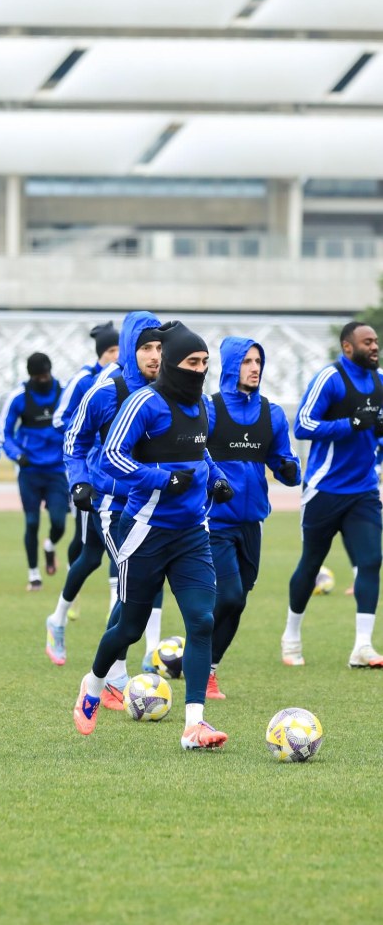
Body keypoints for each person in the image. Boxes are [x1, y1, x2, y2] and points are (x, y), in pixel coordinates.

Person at [74, 321, 231, 750]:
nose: (200, 370)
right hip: (144, 530)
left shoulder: (202, 405)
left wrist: (215, 477)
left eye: (205, 362)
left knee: (201, 620)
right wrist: (162, 479)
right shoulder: (144, 402)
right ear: (173, 363)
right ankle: (92, 684)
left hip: (192, 532)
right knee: (129, 626)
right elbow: (112, 456)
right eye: (192, 362)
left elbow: (198, 450)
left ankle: (194, 725)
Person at [49, 312, 162, 694]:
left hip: (153, 502)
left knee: (139, 577)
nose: (155, 355)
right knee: (105, 565)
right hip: (108, 501)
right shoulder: (101, 387)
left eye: (160, 347)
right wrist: (80, 480)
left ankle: (145, 655)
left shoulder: (169, 389)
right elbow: (70, 432)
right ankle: (112, 668)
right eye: (146, 347)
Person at [282, 321, 383, 669]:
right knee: (311, 563)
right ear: (347, 347)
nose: (374, 346)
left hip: (364, 490)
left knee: (371, 561)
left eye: (375, 341)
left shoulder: (380, 381)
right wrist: (349, 424)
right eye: (367, 342)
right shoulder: (330, 378)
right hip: (324, 489)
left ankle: (363, 647)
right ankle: (291, 637)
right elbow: (303, 425)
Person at [205, 337, 301, 698]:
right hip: (215, 522)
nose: (255, 367)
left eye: (258, 361)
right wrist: (213, 482)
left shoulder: (271, 413)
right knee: (229, 596)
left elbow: (284, 461)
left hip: (252, 523)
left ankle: (208, 668)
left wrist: (289, 469)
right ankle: (197, 658)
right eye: (247, 361)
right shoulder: (209, 409)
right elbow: (194, 455)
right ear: (232, 365)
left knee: (239, 601)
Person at [53, 322, 119, 578]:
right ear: (101, 352)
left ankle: (115, 597)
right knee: (84, 541)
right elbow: (59, 419)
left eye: (119, 349)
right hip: (88, 469)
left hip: (116, 472)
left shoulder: (126, 380)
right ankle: (70, 587)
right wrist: (89, 437)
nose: (116, 355)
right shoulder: (84, 380)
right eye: (111, 350)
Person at [1, 353, 67, 590]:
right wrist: (17, 455)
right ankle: (33, 574)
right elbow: (4, 433)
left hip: (57, 470)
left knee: (59, 522)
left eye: (46, 375)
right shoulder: (19, 397)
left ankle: (50, 545)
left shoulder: (64, 392)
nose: (43, 379)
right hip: (29, 471)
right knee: (31, 522)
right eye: (38, 377)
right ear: (30, 376)